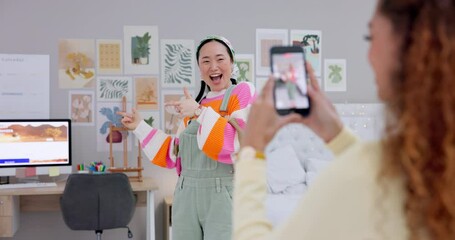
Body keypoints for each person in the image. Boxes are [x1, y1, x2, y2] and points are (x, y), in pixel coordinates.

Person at [233, 0, 455, 239]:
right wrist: (338, 136)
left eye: (369, 38)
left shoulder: (351, 176)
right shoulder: (434, 165)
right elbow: (388, 179)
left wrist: (252, 150)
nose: (369, 56)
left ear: (410, 48)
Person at [118, 36, 255, 240]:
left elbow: (236, 142)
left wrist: (199, 112)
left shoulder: (242, 92)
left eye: (220, 59)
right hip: (185, 193)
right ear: (200, 68)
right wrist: (140, 126)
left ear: (232, 62)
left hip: (223, 195)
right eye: (205, 61)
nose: (213, 66)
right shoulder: (196, 103)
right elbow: (174, 153)